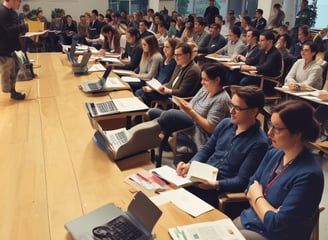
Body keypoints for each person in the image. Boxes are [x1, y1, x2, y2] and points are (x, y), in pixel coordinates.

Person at [235, 100, 324, 240]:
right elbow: (250, 186)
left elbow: (276, 224)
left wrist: (257, 196)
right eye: (270, 125)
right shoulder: (274, 154)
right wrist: (270, 210)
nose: (269, 133)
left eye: (277, 128)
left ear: (297, 134)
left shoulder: (310, 175)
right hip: (250, 221)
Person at [176, 86, 269, 208]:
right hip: (202, 177)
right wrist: (190, 164)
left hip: (219, 190)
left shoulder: (259, 143)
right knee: (167, 193)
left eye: (237, 108)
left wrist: (214, 184)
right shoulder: (225, 123)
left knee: (179, 206)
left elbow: (242, 181)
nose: (231, 111)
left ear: (253, 111)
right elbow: (207, 149)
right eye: (231, 105)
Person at [148, 63, 231, 156]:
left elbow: (211, 128)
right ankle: (160, 139)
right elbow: (192, 104)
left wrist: (190, 111)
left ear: (217, 80)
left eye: (205, 79)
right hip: (188, 116)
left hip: (198, 128)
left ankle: (157, 138)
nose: (202, 82)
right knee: (153, 112)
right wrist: (184, 106)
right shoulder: (205, 88)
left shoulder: (221, 99)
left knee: (169, 115)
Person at [135, 38, 177, 106]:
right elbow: (157, 76)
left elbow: (170, 81)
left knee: (142, 94)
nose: (164, 49)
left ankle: (143, 113)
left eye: (167, 47)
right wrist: (151, 86)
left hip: (163, 90)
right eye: (164, 47)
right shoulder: (163, 60)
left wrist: (153, 89)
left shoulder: (174, 63)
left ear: (173, 49)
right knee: (139, 92)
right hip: (155, 87)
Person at [239, 30, 282, 96]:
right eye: (259, 40)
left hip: (268, 81)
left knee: (244, 81)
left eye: (262, 41)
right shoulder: (262, 50)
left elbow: (265, 68)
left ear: (269, 41)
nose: (259, 43)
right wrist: (240, 58)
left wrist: (249, 68)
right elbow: (251, 61)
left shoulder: (275, 54)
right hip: (259, 77)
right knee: (236, 75)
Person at [0, 0, 28, 100]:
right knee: (7, 72)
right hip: (3, 48)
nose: (20, 3)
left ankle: (13, 92)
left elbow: (15, 28)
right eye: (18, 1)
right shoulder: (2, 12)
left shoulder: (12, 12)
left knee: (13, 71)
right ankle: (10, 91)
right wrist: (25, 26)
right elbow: (10, 30)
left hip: (12, 47)